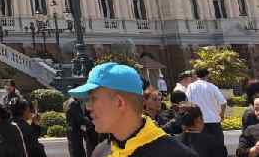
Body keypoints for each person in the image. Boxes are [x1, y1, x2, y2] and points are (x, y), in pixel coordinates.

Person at [68, 62, 197, 157]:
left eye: (93, 99)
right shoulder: (101, 152)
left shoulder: (174, 153)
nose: (88, 107)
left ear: (119, 103)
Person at [186, 68, 226, 144]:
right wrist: (222, 114)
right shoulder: (213, 87)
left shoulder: (191, 87)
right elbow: (223, 103)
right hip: (214, 121)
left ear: (197, 75)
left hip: (198, 121)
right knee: (218, 146)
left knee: (201, 148)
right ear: (207, 75)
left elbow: (187, 102)